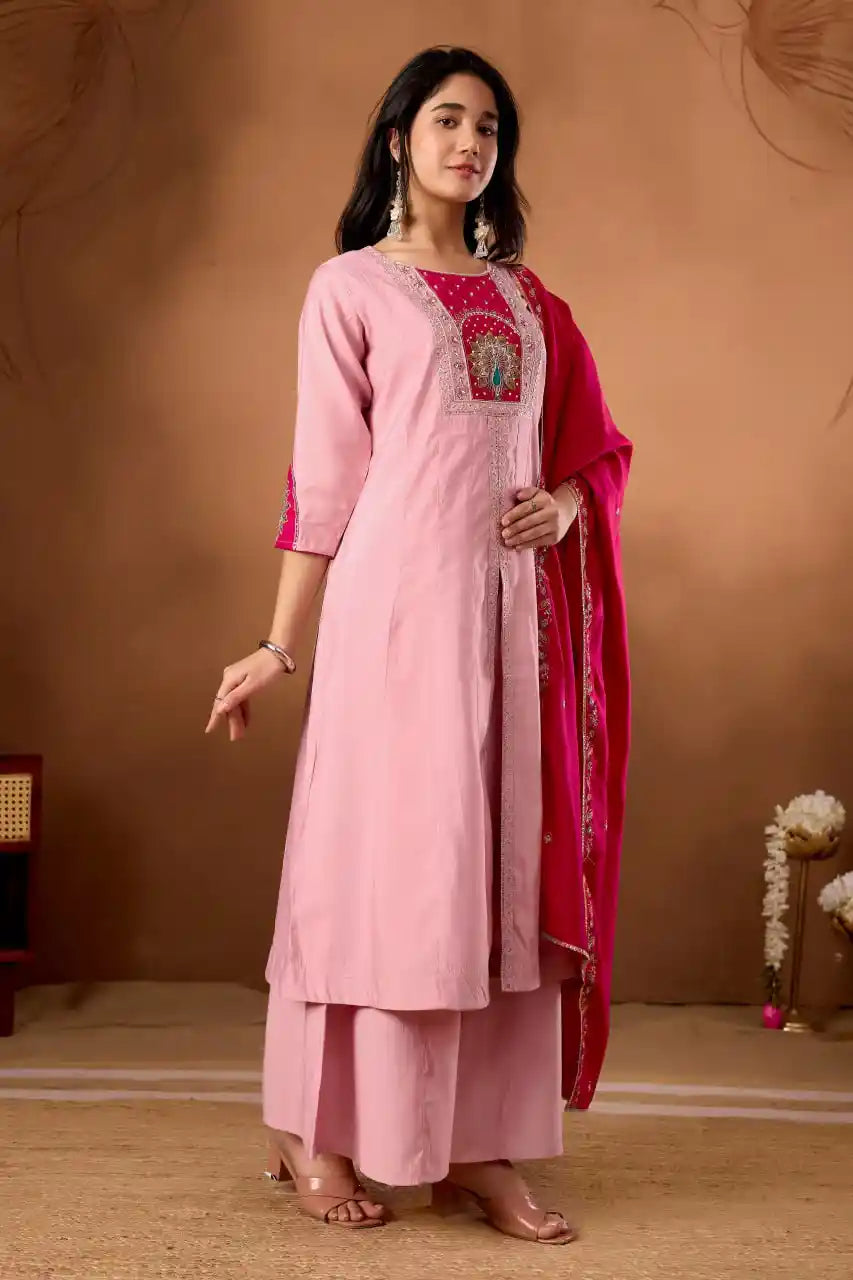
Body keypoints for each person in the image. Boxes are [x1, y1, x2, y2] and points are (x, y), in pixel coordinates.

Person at [206, 45, 631, 1245]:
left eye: (488, 127)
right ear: (398, 137)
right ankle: (317, 1126)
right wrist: (278, 647)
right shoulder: (348, 287)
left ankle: (476, 1146)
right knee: (385, 870)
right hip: (394, 621)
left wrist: (566, 508)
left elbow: (587, 449)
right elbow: (323, 484)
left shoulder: (528, 299)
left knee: (491, 869)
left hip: (510, 626)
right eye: (446, 119)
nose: (469, 143)